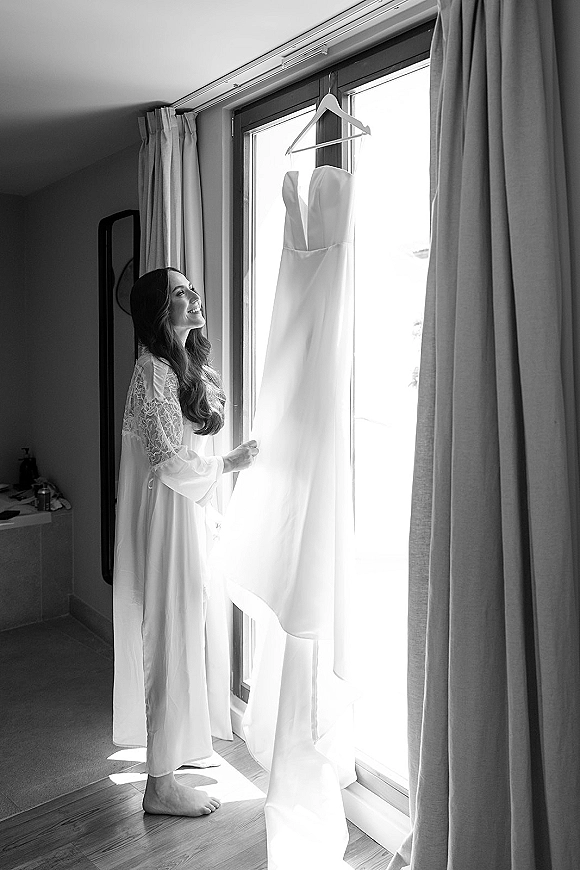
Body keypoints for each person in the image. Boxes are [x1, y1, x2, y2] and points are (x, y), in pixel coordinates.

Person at [112, 267, 258, 817]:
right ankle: (158, 785)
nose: (193, 297)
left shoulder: (178, 366)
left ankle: (172, 759)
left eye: (193, 288)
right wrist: (230, 463)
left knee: (183, 629)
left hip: (182, 511)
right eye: (179, 293)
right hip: (166, 516)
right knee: (169, 636)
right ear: (158, 309)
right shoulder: (152, 369)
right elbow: (169, 457)